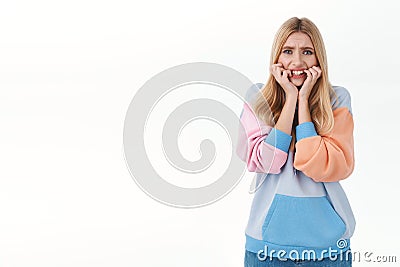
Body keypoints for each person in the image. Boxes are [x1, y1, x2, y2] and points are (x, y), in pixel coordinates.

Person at [236, 17, 355, 266]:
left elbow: (327, 166)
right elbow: (265, 162)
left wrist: (305, 105)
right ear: (276, 57)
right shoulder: (258, 97)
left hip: (327, 251)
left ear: (318, 59)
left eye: (307, 52)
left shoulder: (337, 99)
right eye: (288, 51)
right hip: (267, 250)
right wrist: (291, 98)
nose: (297, 62)